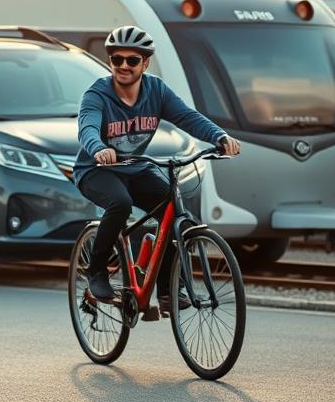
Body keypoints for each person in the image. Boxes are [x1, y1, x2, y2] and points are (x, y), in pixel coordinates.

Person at [73, 25, 240, 311]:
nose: (123, 66)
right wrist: (99, 148)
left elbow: (188, 117)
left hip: (134, 168)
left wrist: (219, 137)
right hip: (95, 170)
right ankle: (96, 272)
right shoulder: (97, 94)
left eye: (132, 60)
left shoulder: (156, 91)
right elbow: (87, 127)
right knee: (120, 203)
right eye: (117, 59)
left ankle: (166, 292)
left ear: (145, 63)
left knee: (171, 210)